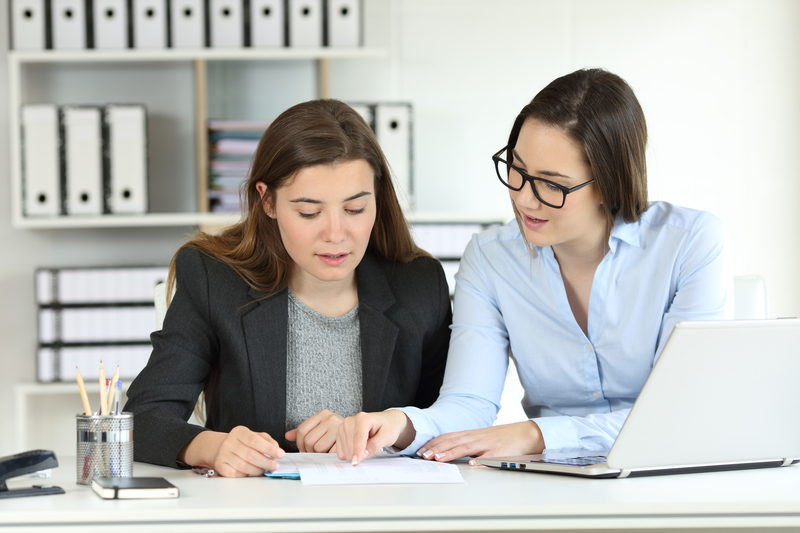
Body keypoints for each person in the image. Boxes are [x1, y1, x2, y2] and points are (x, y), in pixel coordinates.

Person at [336, 68, 733, 466]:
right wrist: (399, 424)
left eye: (551, 184)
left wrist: (537, 434)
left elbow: (681, 411)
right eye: (518, 169)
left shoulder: (689, 243)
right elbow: (469, 401)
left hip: (669, 474)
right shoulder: (491, 258)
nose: (524, 199)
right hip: (554, 478)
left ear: (609, 183)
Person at [124, 99, 452, 477]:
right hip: (257, 505)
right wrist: (212, 447)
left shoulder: (419, 285)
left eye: (355, 209)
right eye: (309, 212)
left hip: (387, 504)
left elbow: (453, 420)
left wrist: (385, 434)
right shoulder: (215, 278)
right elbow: (143, 419)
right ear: (268, 201)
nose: (335, 234)